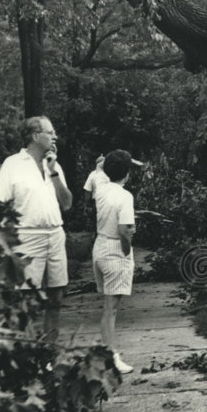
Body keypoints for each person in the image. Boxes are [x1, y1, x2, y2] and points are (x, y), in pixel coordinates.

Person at [0, 116, 73, 344]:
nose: (55, 136)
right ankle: (26, 355)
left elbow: (67, 204)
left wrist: (54, 171)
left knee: (56, 297)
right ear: (36, 136)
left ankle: (49, 354)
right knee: (27, 300)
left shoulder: (54, 165)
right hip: (26, 237)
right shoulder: (12, 164)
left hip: (55, 235)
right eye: (51, 132)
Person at [92, 149, 137, 374]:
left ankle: (108, 351)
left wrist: (100, 165)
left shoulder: (101, 189)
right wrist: (127, 251)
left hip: (99, 247)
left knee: (107, 307)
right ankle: (110, 356)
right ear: (127, 173)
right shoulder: (125, 196)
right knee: (111, 309)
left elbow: (99, 173)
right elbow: (124, 230)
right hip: (115, 250)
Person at [81, 154, 109, 231]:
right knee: (98, 223)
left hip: (107, 201)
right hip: (97, 202)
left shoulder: (109, 174)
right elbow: (87, 190)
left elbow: (87, 190)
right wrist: (86, 205)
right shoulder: (93, 174)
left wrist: (86, 205)